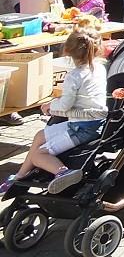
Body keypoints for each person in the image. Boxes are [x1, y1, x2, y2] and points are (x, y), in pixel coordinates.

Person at [0, 19, 107, 194]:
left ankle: (63, 172)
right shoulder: (99, 68)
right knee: (40, 136)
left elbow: (65, 105)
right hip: (91, 122)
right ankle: (19, 177)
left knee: (38, 154)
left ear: (66, 51)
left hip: (81, 127)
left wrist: (50, 106)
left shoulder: (74, 75)